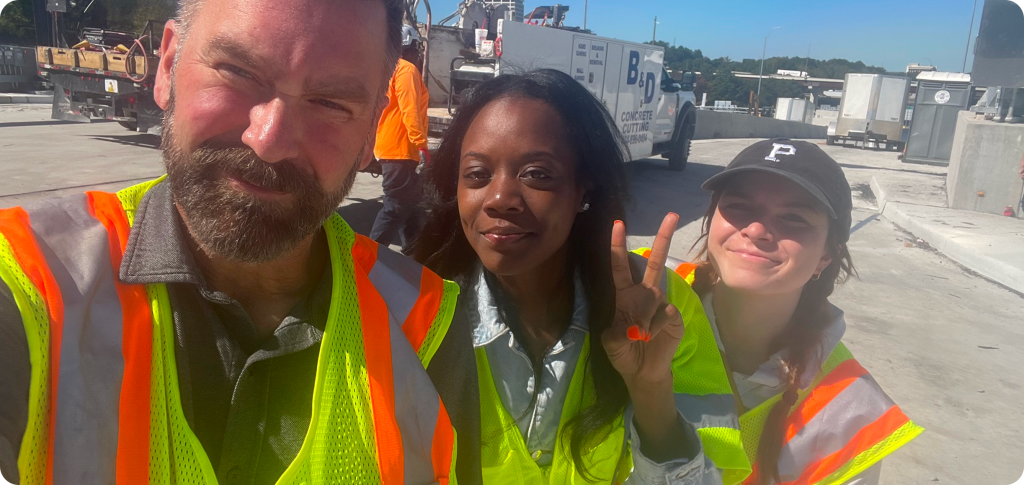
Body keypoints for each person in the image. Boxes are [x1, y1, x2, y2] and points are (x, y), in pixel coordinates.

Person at [0, 0, 471, 484]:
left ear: (373, 126)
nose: (269, 139)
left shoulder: (426, 326)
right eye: (237, 71)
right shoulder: (25, 280)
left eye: (331, 103)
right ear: (167, 67)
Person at [414, 70, 750, 484]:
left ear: (583, 190)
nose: (500, 199)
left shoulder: (661, 308)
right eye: (477, 174)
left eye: (537, 174)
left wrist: (651, 390)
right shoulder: (412, 310)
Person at [672, 139, 924, 484]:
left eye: (793, 217)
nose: (756, 230)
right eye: (739, 206)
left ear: (826, 255)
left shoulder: (848, 411)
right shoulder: (641, 299)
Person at [370, 23, 431, 252]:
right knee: (394, 207)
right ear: (413, 46)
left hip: (391, 146)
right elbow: (410, 110)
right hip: (401, 149)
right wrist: (421, 145)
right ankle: (365, 259)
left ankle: (415, 254)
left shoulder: (388, 69)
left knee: (411, 206)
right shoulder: (406, 70)